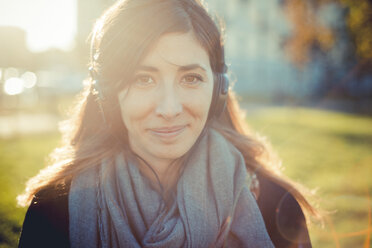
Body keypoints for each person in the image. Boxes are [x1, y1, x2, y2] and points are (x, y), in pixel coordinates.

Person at [18, 0, 317, 247]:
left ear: (218, 89)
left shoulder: (276, 207)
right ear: (107, 95)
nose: (169, 108)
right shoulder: (52, 212)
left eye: (191, 78)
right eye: (143, 79)